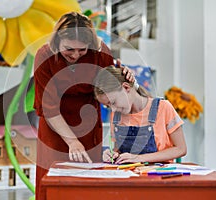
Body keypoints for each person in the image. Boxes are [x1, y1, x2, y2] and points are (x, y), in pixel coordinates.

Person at [33, 12, 134, 199]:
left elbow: (112, 89)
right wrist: (72, 142)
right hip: (55, 128)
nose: (76, 55)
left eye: (82, 50)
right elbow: (49, 107)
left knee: (88, 183)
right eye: (69, 49)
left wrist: (124, 75)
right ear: (57, 42)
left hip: (88, 126)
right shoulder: (44, 56)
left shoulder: (101, 53)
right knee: (53, 184)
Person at [93, 66, 187, 164]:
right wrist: (113, 154)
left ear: (126, 87)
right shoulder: (116, 115)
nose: (113, 109)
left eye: (113, 102)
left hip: (159, 176)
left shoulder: (163, 108)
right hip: (128, 175)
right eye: (108, 106)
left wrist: (139, 158)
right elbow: (119, 149)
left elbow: (181, 149)